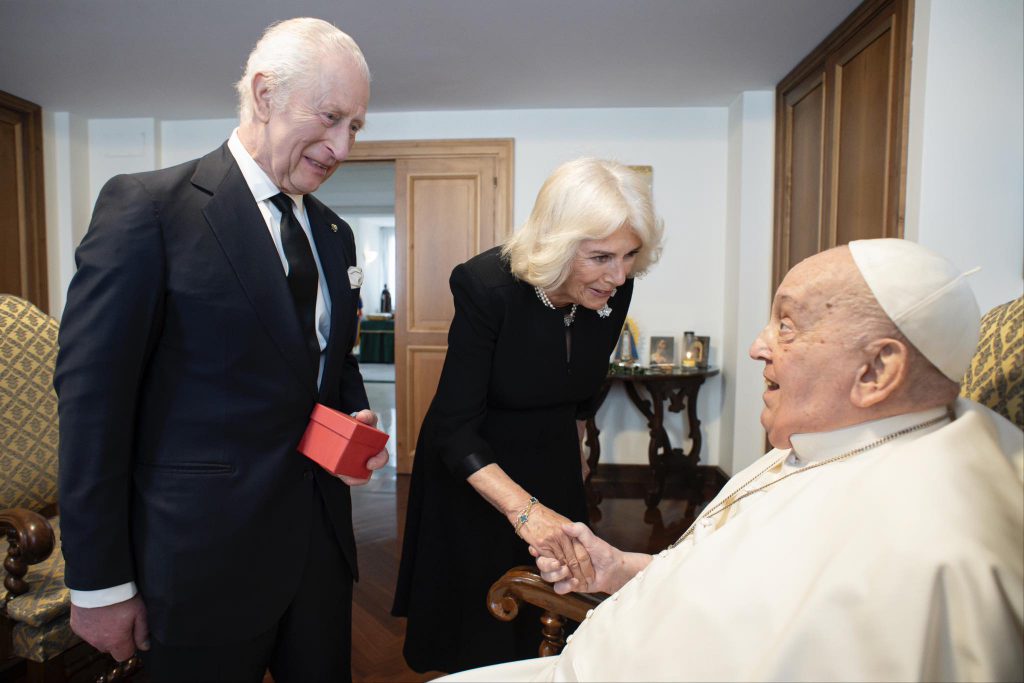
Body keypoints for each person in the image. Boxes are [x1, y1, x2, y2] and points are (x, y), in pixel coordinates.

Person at [439, 239, 1024, 682]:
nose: (758, 345)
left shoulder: (929, 545)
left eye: (786, 325)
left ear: (876, 371)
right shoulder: (827, 443)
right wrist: (620, 568)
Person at [54, 17, 387, 682]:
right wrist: (98, 584)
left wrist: (352, 424)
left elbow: (329, 361)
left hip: (319, 555)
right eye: (330, 117)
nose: (342, 146)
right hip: (198, 566)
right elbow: (92, 408)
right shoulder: (148, 209)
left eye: (355, 126)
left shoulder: (334, 232)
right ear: (265, 95)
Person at [392, 158, 664, 673]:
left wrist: (577, 449)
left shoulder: (614, 288)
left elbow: (582, 387)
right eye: (601, 257)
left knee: (554, 600)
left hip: (551, 452)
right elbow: (453, 427)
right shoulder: (485, 286)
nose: (619, 275)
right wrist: (526, 512)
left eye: (629, 255)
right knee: (480, 620)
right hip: (477, 463)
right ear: (557, 244)